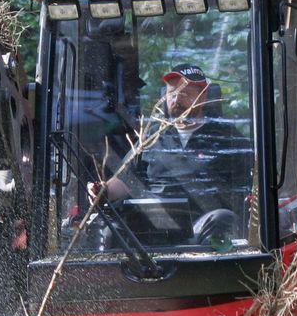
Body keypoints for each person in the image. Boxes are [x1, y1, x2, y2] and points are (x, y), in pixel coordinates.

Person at [89, 65, 251, 239]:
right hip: (152, 224)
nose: (176, 100)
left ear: (204, 95)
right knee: (110, 232)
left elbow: (250, 188)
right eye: (172, 93)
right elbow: (125, 181)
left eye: (185, 94)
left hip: (203, 226)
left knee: (221, 220)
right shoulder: (152, 137)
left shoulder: (228, 139)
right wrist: (101, 191)